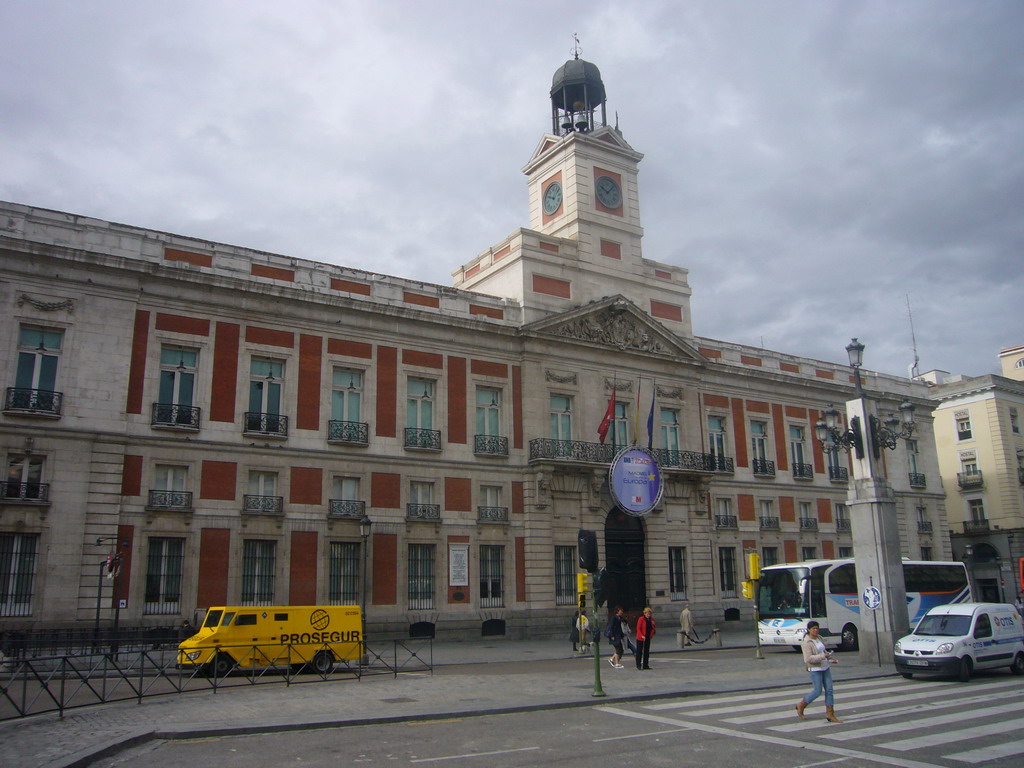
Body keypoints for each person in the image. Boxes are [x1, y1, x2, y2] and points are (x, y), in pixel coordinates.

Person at [796, 620, 841, 723]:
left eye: (817, 628)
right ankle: (801, 705)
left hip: (825, 667)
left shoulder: (819, 638)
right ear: (809, 630)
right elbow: (808, 659)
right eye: (813, 629)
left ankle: (830, 714)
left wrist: (830, 659)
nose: (816, 630)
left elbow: (823, 652)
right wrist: (822, 657)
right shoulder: (806, 642)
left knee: (829, 690)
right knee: (817, 691)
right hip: (815, 668)